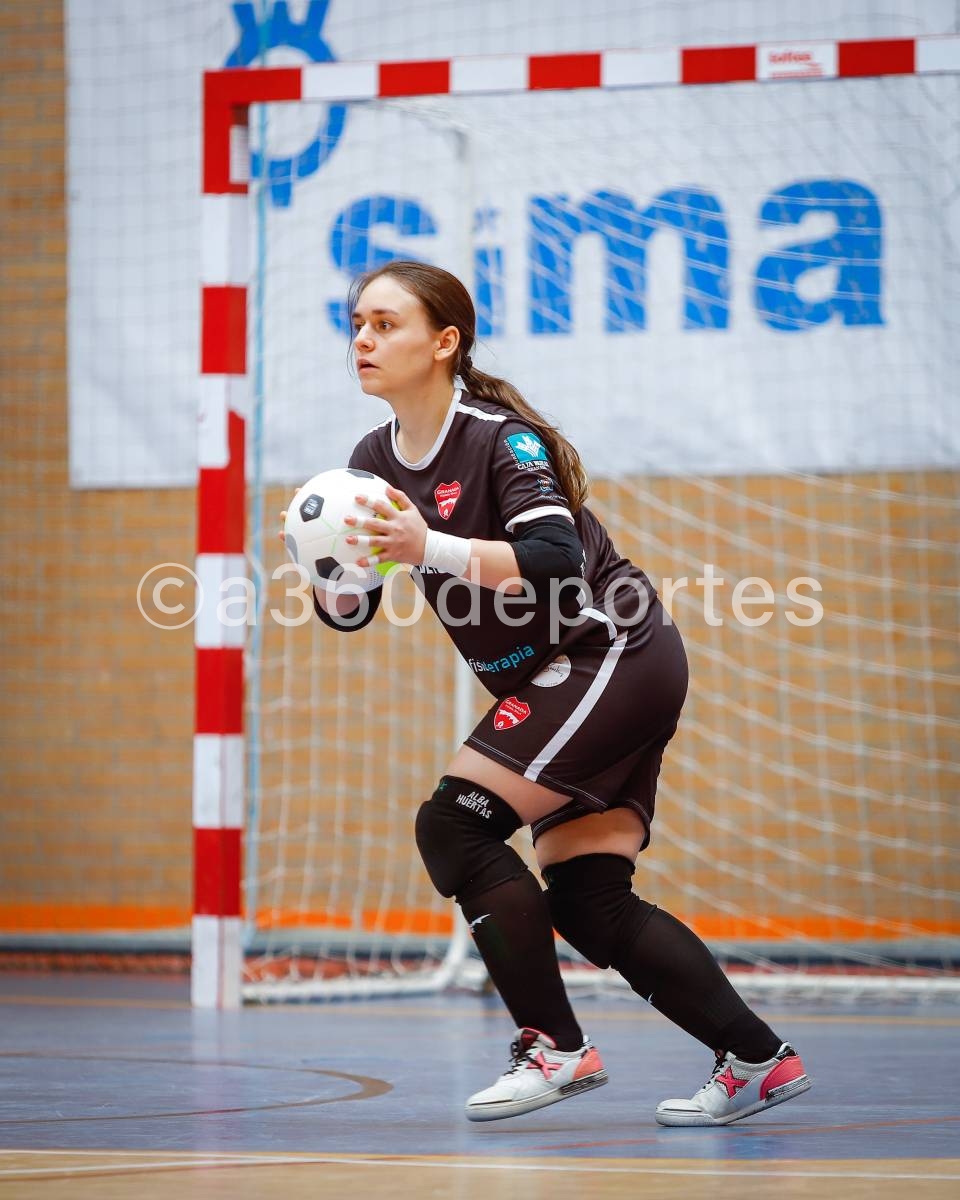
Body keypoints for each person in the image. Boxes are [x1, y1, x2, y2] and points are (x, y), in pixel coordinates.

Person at [282, 260, 811, 1126]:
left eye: (385, 324)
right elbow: (355, 607)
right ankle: (757, 1059)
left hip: (611, 650)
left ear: (444, 342)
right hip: (564, 677)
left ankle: (554, 1048)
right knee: (587, 899)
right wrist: (327, 567)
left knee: (454, 823)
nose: (363, 341)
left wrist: (426, 546)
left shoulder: (503, 440)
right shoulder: (370, 462)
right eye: (358, 326)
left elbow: (556, 561)